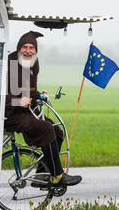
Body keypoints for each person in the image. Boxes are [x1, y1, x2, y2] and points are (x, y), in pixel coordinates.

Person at [5, 31, 82, 187]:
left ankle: (42, 175)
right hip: (10, 114)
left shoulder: (32, 62)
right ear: (19, 48)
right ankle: (57, 175)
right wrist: (16, 101)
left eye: (32, 48)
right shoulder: (10, 64)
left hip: (27, 111)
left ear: (36, 51)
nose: (28, 51)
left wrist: (39, 96)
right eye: (24, 47)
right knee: (46, 128)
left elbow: (29, 90)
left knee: (57, 131)